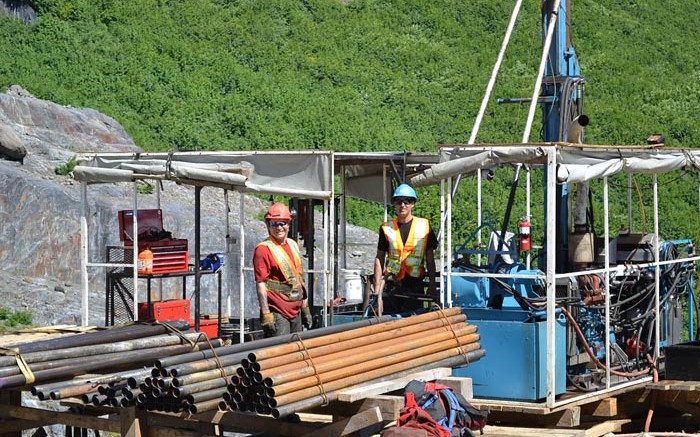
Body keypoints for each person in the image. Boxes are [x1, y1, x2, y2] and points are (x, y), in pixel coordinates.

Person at [373, 184, 438, 316]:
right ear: (395, 204)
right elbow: (379, 257)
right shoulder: (386, 228)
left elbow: (430, 258)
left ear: (413, 204)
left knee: (412, 323)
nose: (403, 205)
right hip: (391, 283)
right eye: (398, 201)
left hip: (414, 285)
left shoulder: (424, 226)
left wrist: (432, 284)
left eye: (407, 201)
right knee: (389, 323)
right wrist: (377, 285)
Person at [253, 202, 313, 337]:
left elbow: (299, 279)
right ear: (268, 225)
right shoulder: (263, 249)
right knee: (279, 352)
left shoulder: (293, 244)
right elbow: (261, 283)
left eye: (282, 223)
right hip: (278, 310)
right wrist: (266, 313)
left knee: (297, 350)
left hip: (295, 309)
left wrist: (305, 307)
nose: (279, 227)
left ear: (288, 224)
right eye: (274, 224)